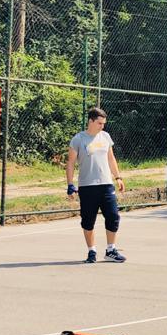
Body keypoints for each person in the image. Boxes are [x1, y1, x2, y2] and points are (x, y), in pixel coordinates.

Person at [66, 107, 126, 264]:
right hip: (87, 186)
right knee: (88, 220)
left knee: (113, 217)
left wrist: (118, 177)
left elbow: (111, 159)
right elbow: (71, 162)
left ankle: (111, 250)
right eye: (99, 123)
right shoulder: (78, 139)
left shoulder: (105, 137)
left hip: (106, 185)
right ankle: (91, 251)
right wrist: (70, 184)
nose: (102, 126)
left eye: (104, 123)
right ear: (91, 121)